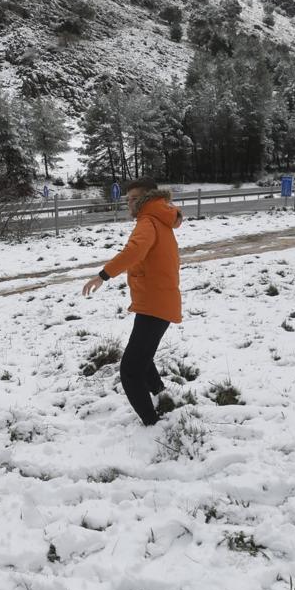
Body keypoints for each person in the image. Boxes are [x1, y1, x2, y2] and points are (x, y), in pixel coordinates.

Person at [82, 178, 184, 426]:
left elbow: (134, 251)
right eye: (127, 199)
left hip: (155, 303)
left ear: (147, 198)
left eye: (133, 198)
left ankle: (152, 424)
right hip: (157, 299)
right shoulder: (159, 218)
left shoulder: (148, 221)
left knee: (129, 370)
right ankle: (162, 394)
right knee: (142, 356)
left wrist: (103, 275)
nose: (129, 203)